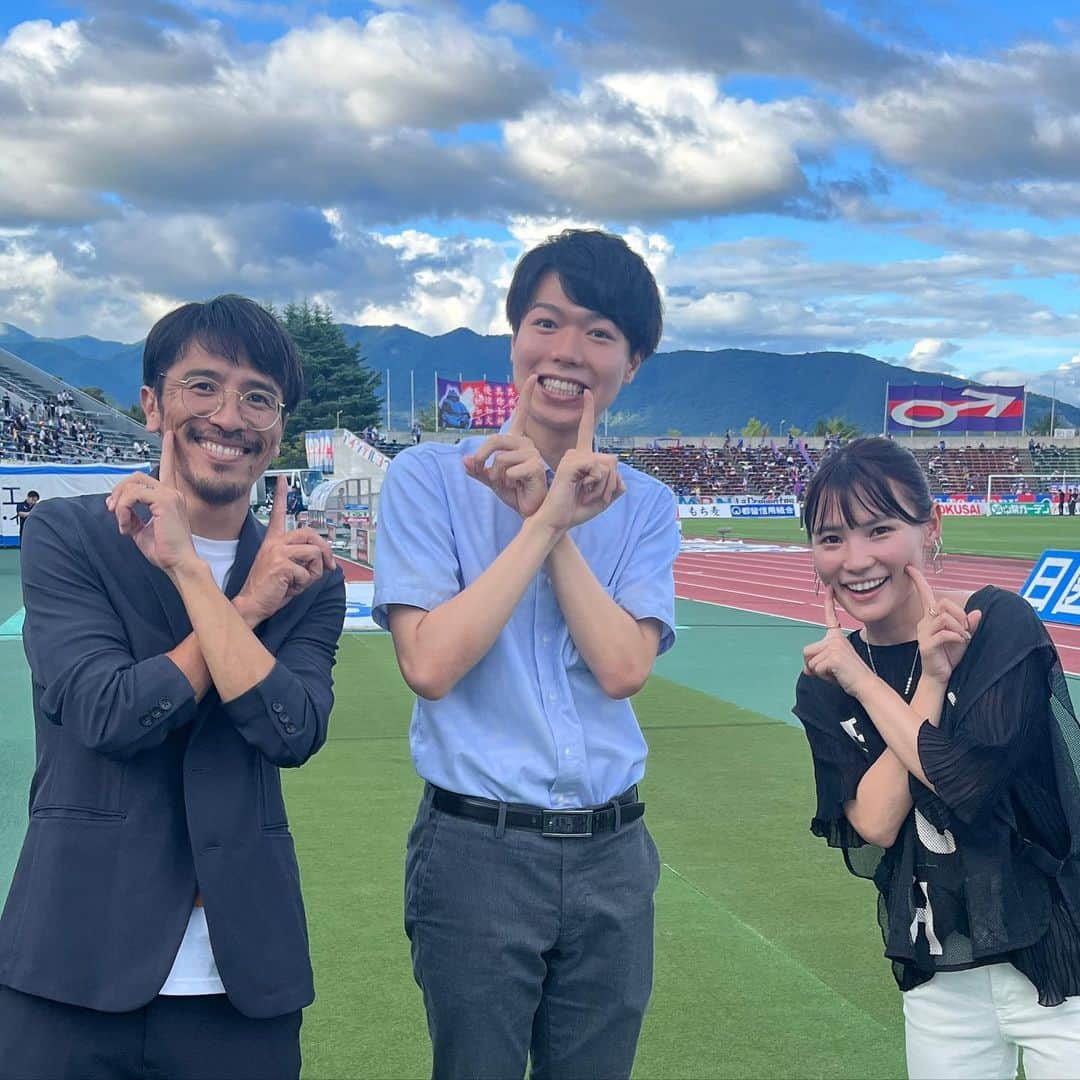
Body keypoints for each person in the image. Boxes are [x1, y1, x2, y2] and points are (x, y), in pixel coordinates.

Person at [0, 295, 345, 1080]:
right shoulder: (70, 535)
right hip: (71, 966)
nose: (230, 415)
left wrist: (209, 576)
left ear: (277, 429)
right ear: (152, 404)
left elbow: (291, 731)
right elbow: (107, 711)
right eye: (203, 386)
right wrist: (243, 603)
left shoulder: (307, 576)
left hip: (241, 985)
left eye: (258, 397)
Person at [373, 229, 679, 1079]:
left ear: (632, 363)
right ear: (513, 338)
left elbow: (623, 670)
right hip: (478, 849)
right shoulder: (430, 479)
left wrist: (556, 521)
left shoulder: (647, 505)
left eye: (600, 334)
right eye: (547, 322)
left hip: (614, 852)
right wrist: (541, 520)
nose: (568, 352)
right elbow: (429, 664)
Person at [794, 436, 1080, 1079]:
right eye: (831, 537)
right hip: (941, 974)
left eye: (880, 529)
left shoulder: (996, 624)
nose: (856, 559)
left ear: (931, 528)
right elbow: (874, 822)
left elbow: (962, 779)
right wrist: (927, 681)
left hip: (1062, 954)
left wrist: (867, 686)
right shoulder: (823, 679)